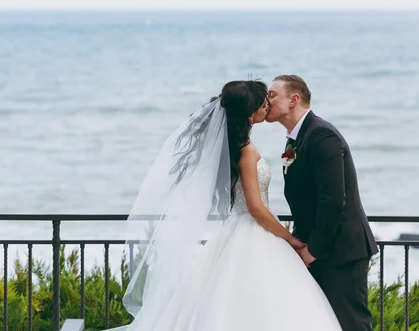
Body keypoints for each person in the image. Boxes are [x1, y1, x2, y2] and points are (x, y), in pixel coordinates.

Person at [117, 80, 342, 331]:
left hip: (235, 232)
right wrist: (290, 239)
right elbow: (255, 208)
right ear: (251, 113)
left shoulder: (235, 146)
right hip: (253, 232)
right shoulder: (245, 150)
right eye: (262, 101)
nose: (267, 105)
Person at [265, 75, 378, 331]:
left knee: (350, 324)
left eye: (272, 95)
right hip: (316, 249)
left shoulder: (322, 135)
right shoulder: (295, 138)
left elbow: (333, 201)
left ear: (294, 100)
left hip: (340, 253)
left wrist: (312, 251)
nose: (267, 100)